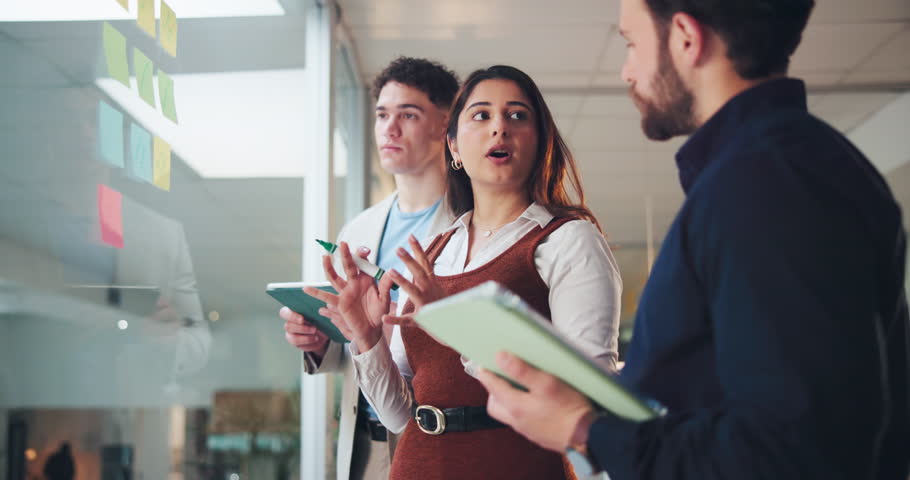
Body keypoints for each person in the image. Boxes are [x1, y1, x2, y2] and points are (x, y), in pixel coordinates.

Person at [475, 0, 910, 479]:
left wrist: (585, 430)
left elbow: (793, 452)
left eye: (632, 44)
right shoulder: (777, 170)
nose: (627, 71)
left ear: (685, 37)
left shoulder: (765, 184)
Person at [309, 65, 622, 480]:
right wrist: (366, 338)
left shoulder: (567, 240)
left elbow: (587, 401)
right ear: (453, 147)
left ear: (540, 141)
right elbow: (401, 416)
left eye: (517, 115)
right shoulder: (434, 254)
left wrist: (456, 325)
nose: (500, 128)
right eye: (481, 115)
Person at [281, 56, 459, 480]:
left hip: (438, 432)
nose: (389, 129)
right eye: (381, 115)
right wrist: (319, 340)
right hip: (367, 442)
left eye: (407, 114)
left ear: (444, 124)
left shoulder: (469, 222)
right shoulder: (359, 227)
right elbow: (358, 336)